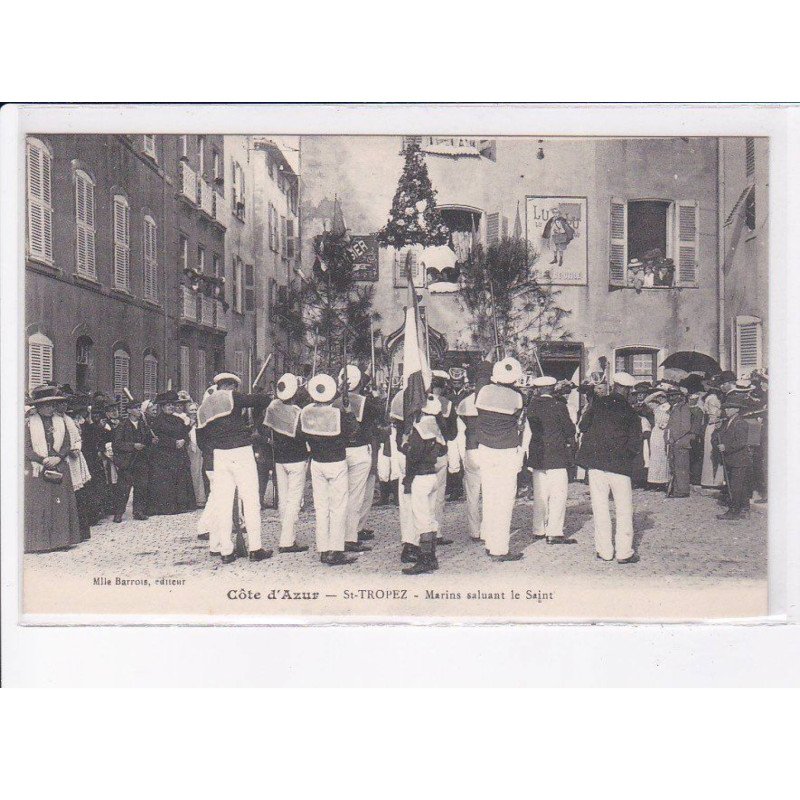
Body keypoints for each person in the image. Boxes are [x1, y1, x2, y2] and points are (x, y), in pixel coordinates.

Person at [195, 373, 272, 564]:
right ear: (230, 385)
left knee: (223, 502)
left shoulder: (204, 406)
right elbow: (262, 400)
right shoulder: (232, 396)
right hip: (241, 451)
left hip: (219, 455)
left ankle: (226, 551)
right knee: (250, 500)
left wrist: (213, 450)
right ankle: (255, 548)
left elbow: (200, 438)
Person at [577, 372, 642, 564]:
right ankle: (624, 552)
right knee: (623, 509)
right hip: (620, 466)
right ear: (628, 390)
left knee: (600, 507)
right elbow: (634, 444)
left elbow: (582, 426)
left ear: (613, 385)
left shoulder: (598, 404)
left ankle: (604, 551)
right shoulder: (631, 412)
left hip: (596, 464)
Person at [300, 373, 358, 566]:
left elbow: (300, 434)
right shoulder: (337, 414)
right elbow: (352, 430)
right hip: (336, 462)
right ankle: (336, 550)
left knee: (321, 507)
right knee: (338, 507)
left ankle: (323, 549)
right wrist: (348, 410)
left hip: (317, 462)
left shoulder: (306, 412)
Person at [475, 356, 526, 561]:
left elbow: (481, 377)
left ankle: (489, 541)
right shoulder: (517, 398)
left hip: (485, 449)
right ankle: (500, 549)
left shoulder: (483, 392)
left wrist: (488, 361)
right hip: (506, 451)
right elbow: (520, 422)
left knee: (489, 496)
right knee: (504, 501)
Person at [24, 385, 81, 553]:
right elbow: (25, 447)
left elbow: (67, 443)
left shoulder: (61, 421)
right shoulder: (28, 423)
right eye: (46, 405)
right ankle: (40, 543)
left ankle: (61, 541)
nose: (50, 408)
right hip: (38, 466)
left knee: (60, 504)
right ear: (39, 406)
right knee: (40, 504)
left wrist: (58, 457)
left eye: (52, 404)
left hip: (58, 464)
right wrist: (42, 459)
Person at [526, 375, 576, 544]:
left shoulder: (532, 406)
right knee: (558, 494)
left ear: (538, 389)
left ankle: (538, 529)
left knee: (540, 493)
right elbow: (569, 429)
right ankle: (554, 531)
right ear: (553, 388)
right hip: (556, 454)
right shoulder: (559, 406)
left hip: (538, 454)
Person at [264, 372, 310, 554]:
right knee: (294, 500)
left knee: (283, 499)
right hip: (297, 459)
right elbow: (302, 434)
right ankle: (287, 540)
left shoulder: (273, 407)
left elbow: (266, 429)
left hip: (279, 458)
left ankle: (287, 533)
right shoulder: (298, 412)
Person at [401, 394, 445, 574]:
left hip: (420, 476)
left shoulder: (419, 428)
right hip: (432, 475)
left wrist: (405, 446)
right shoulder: (435, 427)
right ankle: (431, 556)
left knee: (421, 519)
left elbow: (414, 455)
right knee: (430, 517)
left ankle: (425, 559)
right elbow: (443, 449)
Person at [335, 365, 375, 553]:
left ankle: (339, 534)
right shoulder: (366, 402)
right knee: (355, 496)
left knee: (341, 495)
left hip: (340, 451)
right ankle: (350, 537)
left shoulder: (334, 401)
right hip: (359, 450)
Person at [147, 390, 196, 516]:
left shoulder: (178, 420)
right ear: (162, 407)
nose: (170, 407)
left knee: (180, 479)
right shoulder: (157, 421)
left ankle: (181, 505)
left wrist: (184, 438)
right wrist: (174, 443)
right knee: (166, 482)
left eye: (171, 405)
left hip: (178, 455)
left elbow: (184, 432)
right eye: (167, 405)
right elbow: (158, 438)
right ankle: (166, 508)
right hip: (164, 456)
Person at [112, 398, 152, 522]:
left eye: (140, 407)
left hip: (141, 460)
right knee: (123, 489)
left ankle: (138, 511)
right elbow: (117, 444)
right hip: (127, 461)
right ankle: (119, 513)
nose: (139, 410)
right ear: (129, 410)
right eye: (136, 408)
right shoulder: (122, 425)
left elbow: (147, 440)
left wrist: (151, 440)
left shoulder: (143, 424)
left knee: (141, 487)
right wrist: (133, 446)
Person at [715, 393, 754, 520]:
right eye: (726, 408)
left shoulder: (740, 423)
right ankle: (744, 509)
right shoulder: (728, 422)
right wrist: (717, 430)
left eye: (729, 408)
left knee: (736, 486)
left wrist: (726, 447)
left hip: (739, 459)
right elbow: (721, 437)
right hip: (732, 459)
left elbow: (741, 442)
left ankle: (734, 511)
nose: (726, 410)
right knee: (738, 485)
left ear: (736, 409)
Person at [429, 369, 457, 544]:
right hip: (440, 452)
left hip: (421, 454)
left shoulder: (419, 402)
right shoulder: (447, 404)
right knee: (439, 495)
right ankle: (436, 533)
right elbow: (453, 433)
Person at [63, 394, 94, 542]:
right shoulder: (63, 421)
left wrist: (76, 448)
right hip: (66, 458)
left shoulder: (70, 422)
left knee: (79, 493)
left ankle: (82, 531)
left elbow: (77, 439)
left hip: (75, 459)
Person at [456, 385, 482, 541]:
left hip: (470, 449)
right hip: (487, 450)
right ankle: (487, 529)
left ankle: (474, 531)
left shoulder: (465, 402)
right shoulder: (490, 400)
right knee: (490, 493)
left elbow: (460, 432)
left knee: (472, 495)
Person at [666, 388, 694, 498]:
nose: (671, 398)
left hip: (681, 441)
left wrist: (675, 437)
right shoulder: (675, 407)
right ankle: (676, 489)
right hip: (675, 441)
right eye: (670, 396)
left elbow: (685, 426)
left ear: (680, 396)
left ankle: (682, 490)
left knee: (681, 467)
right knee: (675, 465)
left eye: (674, 395)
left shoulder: (684, 407)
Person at [644, 391, 671, 489]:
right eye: (659, 397)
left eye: (663, 396)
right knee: (655, 456)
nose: (661, 398)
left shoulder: (670, 407)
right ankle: (654, 481)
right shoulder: (656, 407)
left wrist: (666, 425)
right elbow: (646, 401)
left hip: (665, 432)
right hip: (656, 433)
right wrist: (655, 393)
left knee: (664, 455)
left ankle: (663, 481)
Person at [184, 401, 207, 508]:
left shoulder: (200, 421)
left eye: (195, 409)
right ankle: (191, 499)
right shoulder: (186, 421)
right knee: (192, 472)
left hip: (199, 449)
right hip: (189, 449)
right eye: (191, 410)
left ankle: (200, 498)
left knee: (199, 472)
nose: (194, 412)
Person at [700, 391, 725, 489]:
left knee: (712, 452)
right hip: (712, 426)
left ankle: (713, 480)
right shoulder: (712, 398)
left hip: (713, 425)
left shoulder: (710, 399)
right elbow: (712, 413)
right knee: (711, 452)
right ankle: (711, 480)